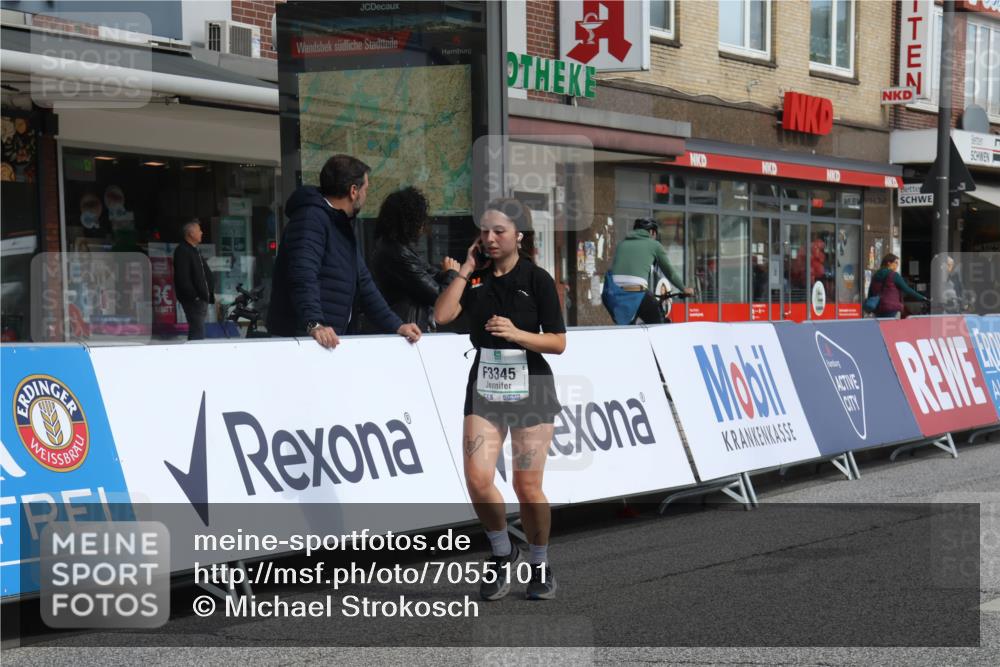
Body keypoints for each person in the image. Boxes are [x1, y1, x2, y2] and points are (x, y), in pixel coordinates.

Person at [434, 198, 566, 601]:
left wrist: (517, 334)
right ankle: (502, 551)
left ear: (519, 237)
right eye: (485, 232)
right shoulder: (475, 280)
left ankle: (540, 563)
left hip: (532, 385)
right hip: (486, 384)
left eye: (499, 232)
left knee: (527, 485)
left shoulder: (538, 278)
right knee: (477, 478)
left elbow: (558, 342)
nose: (490, 239)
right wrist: (466, 269)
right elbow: (441, 316)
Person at [266, 154, 421, 347]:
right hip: (302, 340)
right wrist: (314, 323)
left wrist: (396, 325)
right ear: (353, 191)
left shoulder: (340, 224)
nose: (366, 196)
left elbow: (364, 284)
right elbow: (303, 275)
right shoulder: (311, 219)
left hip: (326, 340)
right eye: (366, 189)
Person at [363, 186, 460, 332]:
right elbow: (440, 297)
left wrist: (449, 273)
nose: (423, 226)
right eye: (421, 219)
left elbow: (428, 274)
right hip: (408, 331)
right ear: (410, 221)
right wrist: (453, 274)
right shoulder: (398, 253)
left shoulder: (397, 248)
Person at [603, 217, 692, 324]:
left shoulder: (621, 244)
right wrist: (684, 288)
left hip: (613, 294)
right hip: (636, 292)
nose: (654, 237)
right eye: (655, 234)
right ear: (651, 232)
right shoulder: (654, 245)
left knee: (628, 328)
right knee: (659, 324)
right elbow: (670, 272)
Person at [173, 220, 214, 341]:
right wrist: (194, 296)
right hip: (193, 300)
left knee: (197, 330)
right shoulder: (182, 250)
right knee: (197, 331)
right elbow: (182, 278)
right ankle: (196, 356)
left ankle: (194, 354)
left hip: (201, 299)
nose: (201, 232)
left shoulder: (194, 250)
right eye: (199, 230)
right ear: (191, 233)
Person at [866, 253, 928, 318]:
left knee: (881, 326)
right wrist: (922, 298)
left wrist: (871, 304)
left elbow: (870, 291)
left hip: (877, 307)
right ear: (889, 263)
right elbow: (907, 289)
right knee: (888, 326)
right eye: (896, 262)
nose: (897, 265)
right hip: (890, 307)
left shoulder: (875, 275)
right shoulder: (893, 275)